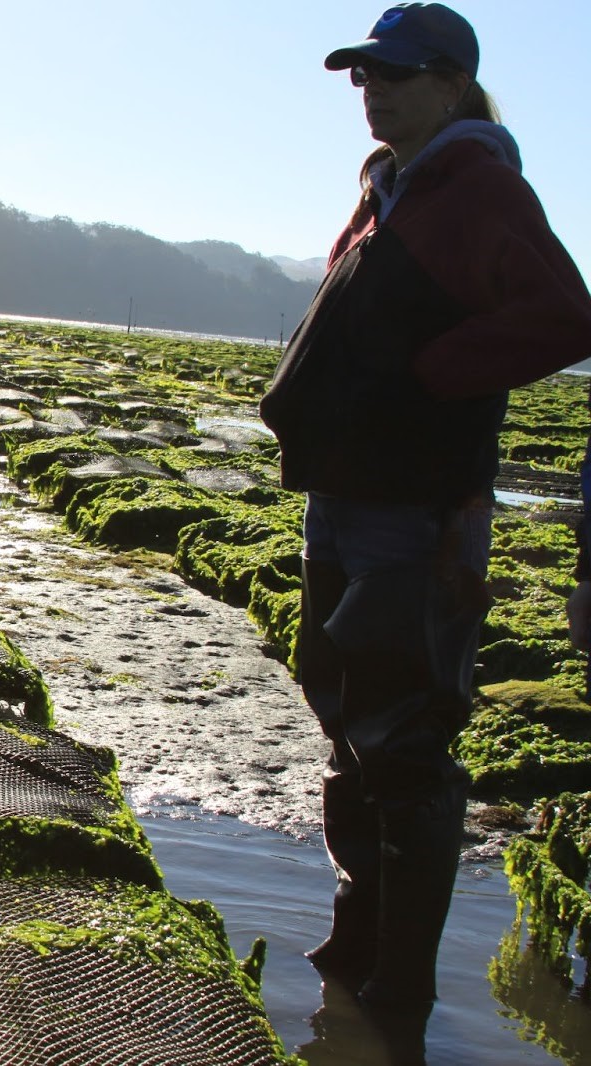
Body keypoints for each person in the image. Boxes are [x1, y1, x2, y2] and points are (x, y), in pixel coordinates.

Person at [259, 0, 591, 1028]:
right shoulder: (384, 191)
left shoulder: (481, 187)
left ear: (451, 82)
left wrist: (430, 376)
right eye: (363, 73)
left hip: (420, 512)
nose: (373, 88)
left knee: (404, 733)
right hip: (344, 496)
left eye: (395, 73)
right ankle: (353, 938)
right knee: (337, 701)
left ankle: (400, 985)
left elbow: (562, 315)